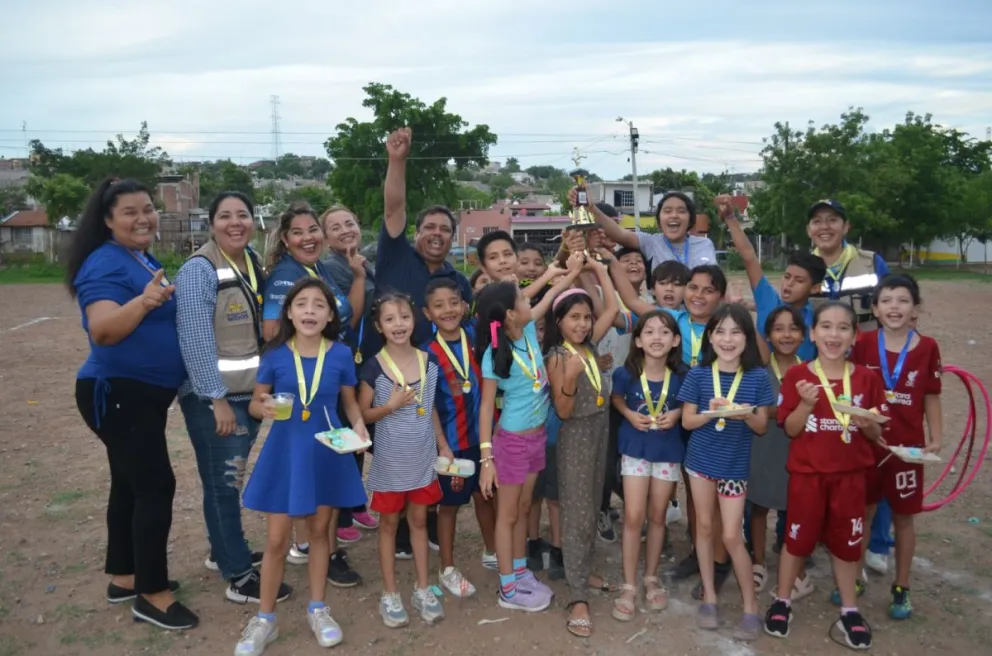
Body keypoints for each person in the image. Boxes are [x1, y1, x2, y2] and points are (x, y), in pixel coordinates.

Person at [67, 178, 196, 630]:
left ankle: (125, 576)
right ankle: (152, 595)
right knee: (155, 486)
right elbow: (102, 328)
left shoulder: (137, 257)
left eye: (147, 208)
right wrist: (143, 302)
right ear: (107, 220)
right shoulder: (103, 263)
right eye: (129, 211)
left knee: (128, 484)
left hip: (139, 395)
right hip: (119, 392)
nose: (143, 217)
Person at [235, 278, 369, 654]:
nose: (310, 311)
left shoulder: (340, 354)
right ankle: (265, 619)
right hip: (287, 453)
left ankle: (318, 607)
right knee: (277, 540)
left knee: (319, 535)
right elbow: (255, 403)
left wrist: (357, 423)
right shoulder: (275, 355)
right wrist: (261, 407)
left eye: (318, 305)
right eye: (302, 304)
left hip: (326, 450)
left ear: (330, 315)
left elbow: (350, 400)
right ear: (289, 312)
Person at [175, 191, 293, 606]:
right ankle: (238, 574)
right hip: (217, 399)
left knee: (230, 478)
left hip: (248, 392)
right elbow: (194, 337)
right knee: (224, 484)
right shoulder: (199, 269)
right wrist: (215, 399)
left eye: (242, 214)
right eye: (225, 216)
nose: (235, 222)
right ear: (211, 224)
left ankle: (223, 550)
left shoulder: (252, 265)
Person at [765, 302, 888, 650]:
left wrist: (867, 426)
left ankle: (850, 609)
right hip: (808, 477)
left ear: (854, 335)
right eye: (827, 327)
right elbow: (789, 429)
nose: (834, 335)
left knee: (848, 547)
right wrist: (804, 405)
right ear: (814, 334)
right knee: (796, 541)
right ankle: (783, 600)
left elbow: (877, 435)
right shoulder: (798, 376)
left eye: (843, 328)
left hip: (850, 479)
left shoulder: (866, 378)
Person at [262, 203, 366, 582]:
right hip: (313, 385)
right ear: (285, 240)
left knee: (325, 464)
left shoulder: (317, 268)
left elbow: (345, 317)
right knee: (306, 466)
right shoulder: (286, 276)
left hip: (332, 375)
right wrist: (312, 357)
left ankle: (322, 544)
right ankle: (316, 547)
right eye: (298, 232)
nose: (308, 237)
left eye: (312, 230)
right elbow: (273, 334)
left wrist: (355, 278)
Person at [475, 261, 584, 614]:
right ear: (510, 314)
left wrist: (562, 272)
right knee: (507, 516)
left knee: (522, 508)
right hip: (511, 442)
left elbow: (551, 293)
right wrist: (486, 460)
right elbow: (485, 407)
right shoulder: (494, 354)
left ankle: (519, 571)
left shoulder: (524, 332)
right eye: (522, 299)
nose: (529, 301)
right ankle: (508, 587)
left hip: (536, 437)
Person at [805, 198, 894, 573]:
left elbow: (893, 306)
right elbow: (792, 310)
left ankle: (878, 540)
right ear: (809, 229)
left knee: (877, 451)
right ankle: (828, 532)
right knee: (829, 450)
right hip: (823, 375)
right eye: (817, 221)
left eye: (832, 220)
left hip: (869, 372)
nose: (825, 227)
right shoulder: (804, 265)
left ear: (846, 225)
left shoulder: (872, 262)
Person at [850, 274, 943, 620]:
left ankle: (901, 586)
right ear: (874, 308)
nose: (894, 307)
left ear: (916, 308)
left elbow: (931, 396)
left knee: (904, 518)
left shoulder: (927, 347)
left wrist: (936, 435)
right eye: (886, 300)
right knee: (864, 511)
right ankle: (855, 575)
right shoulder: (862, 343)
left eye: (903, 300)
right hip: (868, 445)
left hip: (907, 449)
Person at [678, 304, 773, 640]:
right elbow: (688, 420)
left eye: (736, 332)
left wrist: (741, 414)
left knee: (732, 535)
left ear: (747, 338)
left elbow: (761, 426)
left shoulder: (758, 376)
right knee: (703, 528)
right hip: (700, 464)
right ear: (710, 338)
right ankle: (711, 596)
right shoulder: (699, 374)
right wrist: (712, 412)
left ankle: (750, 607)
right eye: (720, 331)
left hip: (734, 468)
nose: (727, 339)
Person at [358, 292, 449, 628]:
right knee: (388, 525)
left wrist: (442, 443)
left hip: (423, 458)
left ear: (414, 320)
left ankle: (423, 588)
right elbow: (364, 413)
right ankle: (390, 593)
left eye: (404, 317)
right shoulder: (374, 366)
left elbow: (432, 409)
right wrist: (391, 406)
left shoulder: (429, 361)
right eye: (390, 319)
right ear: (379, 326)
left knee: (421, 522)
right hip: (390, 464)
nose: (399, 324)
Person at [544, 261, 619, 637]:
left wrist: (598, 268)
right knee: (575, 512)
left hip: (599, 433)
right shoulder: (559, 357)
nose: (583, 324)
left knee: (591, 506)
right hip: (575, 439)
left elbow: (615, 310)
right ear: (559, 321)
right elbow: (562, 410)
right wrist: (570, 380)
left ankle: (582, 569)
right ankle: (576, 597)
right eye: (574, 317)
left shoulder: (588, 347)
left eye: (587, 317)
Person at [422, 278, 496, 597]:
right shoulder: (427, 353)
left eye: (454, 302)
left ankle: (493, 550)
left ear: (465, 306)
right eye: (438, 305)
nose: (448, 310)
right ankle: (447, 568)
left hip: (485, 441)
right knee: (449, 506)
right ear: (427, 313)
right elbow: (430, 406)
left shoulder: (477, 338)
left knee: (485, 496)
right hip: (453, 444)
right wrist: (441, 442)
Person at [610, 311, 685, 622]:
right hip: (635, 451)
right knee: (633, 515)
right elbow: (616, 399)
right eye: (650, 332)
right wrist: (629, 414)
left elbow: (691, 404)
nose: (657, 338)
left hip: (667, 452)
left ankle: (650, 578)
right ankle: (628, 585)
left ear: (675, 340)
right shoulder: (626, 372)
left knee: (657, 517)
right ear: (638, 340)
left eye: (664, 332)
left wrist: (678, 414)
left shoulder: (683, 374)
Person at [377, 127, 473, 347]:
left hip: (440, 374)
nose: (437, 233)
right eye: (429, 227)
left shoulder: (458, 282)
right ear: (416, 233)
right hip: (389, 372)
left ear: (452, 238)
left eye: (445, 229)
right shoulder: (396, 255)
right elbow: (394, 207)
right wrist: (397, 161)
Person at [319, 205, 379, 545]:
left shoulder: (362, 262)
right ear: (326, 238)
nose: (345, 230)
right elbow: (350, 318)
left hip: (365, 360)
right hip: (345, 364)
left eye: (350, 222)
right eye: (335, 227)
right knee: (345, 437)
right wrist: (357, 278)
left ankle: (355, 503)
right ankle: (341, 512)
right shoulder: (331, 269)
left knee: (359, 438)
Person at [749, 307, 813, 600]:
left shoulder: (812, 371)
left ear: (804, 334)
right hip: (764, 447)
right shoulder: (758, 372)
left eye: (793, 328)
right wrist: (780, 412)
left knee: (796, 511)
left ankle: (797, 570)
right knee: (759, 506)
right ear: (768, 335)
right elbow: (755, 411)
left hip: (797, 450)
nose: (786, 335)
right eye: (778, 329)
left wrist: (776, 412)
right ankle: (758, 562)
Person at [719, 197, 826, 361]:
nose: (789, 284)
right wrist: (730, 218)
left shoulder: (818, 320)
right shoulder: (768, 300)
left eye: (799, 280)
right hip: (763, 382)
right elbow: (749, 257)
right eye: (787, 276)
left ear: (815, 288)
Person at [585, 188, 717, 270]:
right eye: (667, 211)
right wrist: (591, 207)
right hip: (665, 314)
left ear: (690, 218)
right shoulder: (651, 242)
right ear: (659, 219)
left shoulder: (705, 244)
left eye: (681, 211)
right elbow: (618, 233)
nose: (674, 215)